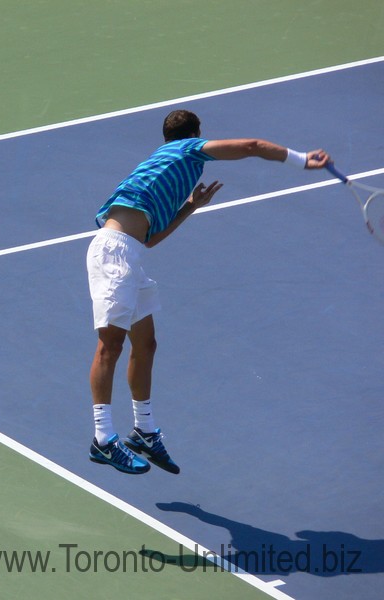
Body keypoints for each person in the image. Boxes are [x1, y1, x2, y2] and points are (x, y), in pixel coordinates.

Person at [86, 109, 330, 475]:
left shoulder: (166, 167)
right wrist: (301, 160)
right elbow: (251, 146)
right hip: (113, 252)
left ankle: (144, 430)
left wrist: (190, 207)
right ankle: (103, 439)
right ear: (196, 134)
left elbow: (150, 240)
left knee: (146, 344)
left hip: (131, 254)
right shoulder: (188, 151)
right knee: (111, 346)